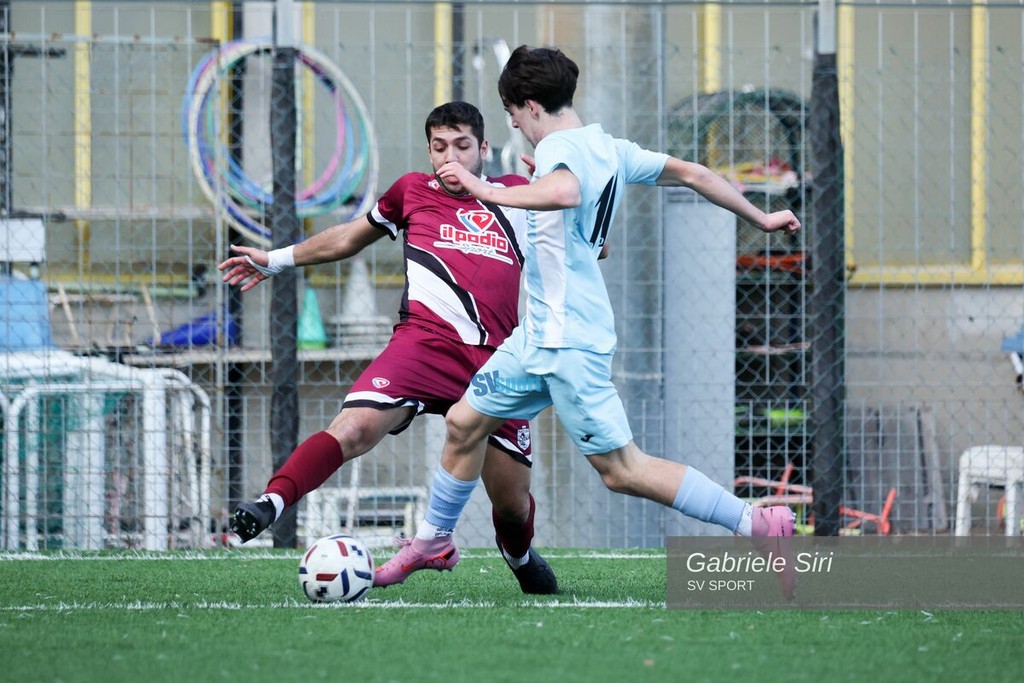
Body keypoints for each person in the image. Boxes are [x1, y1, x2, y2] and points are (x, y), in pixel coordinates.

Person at [375, 46, 802, 592]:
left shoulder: (558, 151)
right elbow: (694, 173)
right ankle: (432, 542)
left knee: (622, 469)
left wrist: (485, 188)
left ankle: (756, 522)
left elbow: (566, 190)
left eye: (512, 115)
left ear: (530, 106)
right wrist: (761, 217)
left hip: (569, 341)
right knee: (463, 422)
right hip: (536, 337)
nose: (515, 126)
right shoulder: (610, 148)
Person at [219, 101, 557, 594]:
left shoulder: (517, 194)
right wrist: (275, 258)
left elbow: (590, 243)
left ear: (484, 148)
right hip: (422, 346)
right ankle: (272, 501)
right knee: (353, 427)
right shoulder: (412, 191)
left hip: (496, 360)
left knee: (511, 504)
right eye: (439, 147)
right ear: (429, 151)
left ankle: (519, 555)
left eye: (462, 146)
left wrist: (561, 192)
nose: (451, 158)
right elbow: (348, 238)